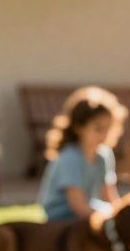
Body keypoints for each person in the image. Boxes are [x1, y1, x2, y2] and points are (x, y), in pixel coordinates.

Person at [37, 86, 124, 221]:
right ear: (78, 127)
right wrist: (109, 220)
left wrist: (121, 215)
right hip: (61, 218)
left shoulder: (103, 155)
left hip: (86, 209)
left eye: (108, 128)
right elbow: (78, 206)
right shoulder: (70, 158)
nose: (104, 134)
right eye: (98, 128)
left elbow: (109, 195)